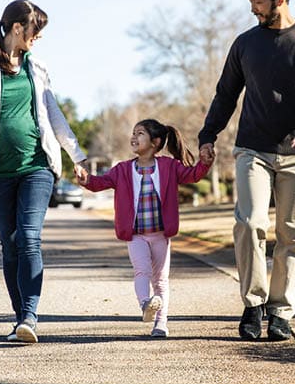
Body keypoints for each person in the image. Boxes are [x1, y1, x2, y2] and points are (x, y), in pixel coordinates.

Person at [198, 0, 295, 342]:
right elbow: (226, 94)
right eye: (250, 2)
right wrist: (208, 135)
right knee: (250, 222)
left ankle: (281, 310)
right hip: (253, 149)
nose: (253, 9)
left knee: (292, 233)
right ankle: (253, 303)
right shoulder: (245, 44)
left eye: (257, 2)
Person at [0, 0, 87, 344]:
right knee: (10, 244)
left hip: (36, 165)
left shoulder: (37, 67)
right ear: (18, 28)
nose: (37, 39)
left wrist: (76, 154)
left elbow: (53, 113)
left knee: (29, 237)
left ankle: (30, 313)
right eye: (35, 32)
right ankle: (21, 320)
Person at [76, 119, 214, 337]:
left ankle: (161, 323)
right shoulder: (122, 169)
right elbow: (100, 183)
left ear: (155, 142)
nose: (133, 137)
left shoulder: (169, 166)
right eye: (133, 133)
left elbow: (193, 175)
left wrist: (204, 163)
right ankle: (145, 305)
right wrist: (86, 180)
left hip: (160, 235)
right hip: (136, 235)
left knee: (160, 280)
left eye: (140, 133)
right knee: (141, 271)